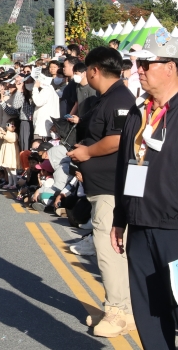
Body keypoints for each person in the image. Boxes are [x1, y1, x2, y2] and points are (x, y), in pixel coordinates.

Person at [111, 29, 178, 350]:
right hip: (139, 227)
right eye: (139, 63)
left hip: (173, 230)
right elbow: (125, 167)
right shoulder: (139, 112)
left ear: (171, 67)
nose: (139, 69)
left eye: (147, 64)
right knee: (149, 315)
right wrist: (119, 218)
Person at [67, 46, 136, 338]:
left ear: (94, 70)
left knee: (108, 248)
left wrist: (86, 153)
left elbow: (117, 140)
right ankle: (124, 309)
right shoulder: (107, 98)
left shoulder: (120, 99)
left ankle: (118, 310)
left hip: (112, 187)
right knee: (114, 248)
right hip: (103, 184)